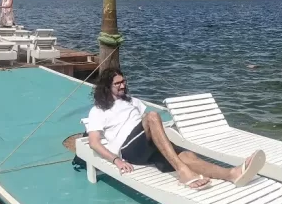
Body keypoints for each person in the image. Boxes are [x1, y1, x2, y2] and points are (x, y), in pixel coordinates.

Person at [85, 70, 266, 190]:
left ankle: (232, 174)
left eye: (123, 81)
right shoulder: (99, 110)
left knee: (188, 156)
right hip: (128, 149)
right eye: (117, 84)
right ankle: (182, 172)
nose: (123, 85)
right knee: (153, 116)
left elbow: (148, 126)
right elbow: (94, 142)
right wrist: (116, 160)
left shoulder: (133, 101)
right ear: (107, 87)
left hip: (146, 143)